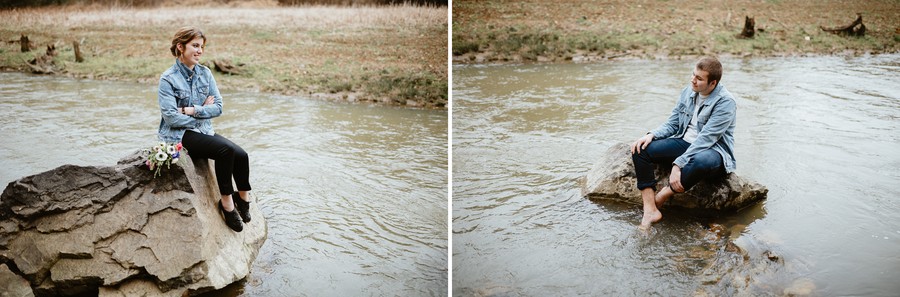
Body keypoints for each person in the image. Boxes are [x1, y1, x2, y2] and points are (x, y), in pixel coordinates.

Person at [157, 27, 252, 232]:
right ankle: (226, 205)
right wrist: (202, 112)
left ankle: (243, 200)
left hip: (201, 130)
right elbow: (171, 117)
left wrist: (191, 109)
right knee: (224, 151)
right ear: (180, 47)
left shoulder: (205, 73)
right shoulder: (168, 79)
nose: (199, 51)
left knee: (241, 155)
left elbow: (218, 107)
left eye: (201, 47)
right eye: (195, 46)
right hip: (178, 134)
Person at [630, 56, 737, 230]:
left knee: (701, 162)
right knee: (640, 149)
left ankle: (663, 196)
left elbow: (707, 139)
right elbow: (673, 123)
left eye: (699, 79)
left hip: (713, 150)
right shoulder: (688, 91)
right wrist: (651, 134)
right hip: (684, 142)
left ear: (713, 83)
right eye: (693, 75)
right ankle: (650, 209)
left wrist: (678, 164)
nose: (693, 81)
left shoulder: (726, 102)